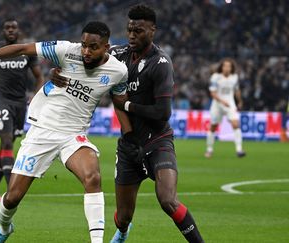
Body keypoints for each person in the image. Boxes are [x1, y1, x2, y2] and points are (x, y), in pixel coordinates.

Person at [0, 21, 130, 243]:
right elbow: (22, 48)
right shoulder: (66, 51)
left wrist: (129, 136)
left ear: (106, 47)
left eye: (93, 47)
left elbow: (120, 103)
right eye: (84, 45)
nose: (86, 52)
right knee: (12, 198)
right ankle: (4, 229)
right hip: (42, 131)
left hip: (73, 135)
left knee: (93, 177)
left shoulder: (118, 72)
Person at [50, 5, 204, 243]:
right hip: (129, 147)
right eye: (130, 30)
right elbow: (84, 61)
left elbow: (163, 112)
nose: (132, 35)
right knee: (122, 217)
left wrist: (128, 105)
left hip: (158, 142)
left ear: (153, 30)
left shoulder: (161, 63)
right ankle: (122, 233)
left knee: (167, 200)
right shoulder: (119, 54)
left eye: (139, 31)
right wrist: (57, 72)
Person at [0, 18, 45, 202]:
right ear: (3, 31)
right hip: (1, 100)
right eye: (7, 28)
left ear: (18, 31)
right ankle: (11, 191)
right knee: (7, 144)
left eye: (14, 28)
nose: (11, 30)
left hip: (20, 104)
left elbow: (39, 78)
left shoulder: (26, 52)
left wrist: (35, 96)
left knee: (6, 146)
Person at [205, 58, 246, 158]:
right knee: (213, 126)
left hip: (230, 103)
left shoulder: (234, 77)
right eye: (225, 66)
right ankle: (209, 149)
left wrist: (239, 101)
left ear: (232, 68)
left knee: (236, 124)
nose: (227, 68)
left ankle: (239, 150)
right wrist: (222, 101)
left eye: (229, 66)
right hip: (217, 104)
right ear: (221, 67)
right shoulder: (215, 77)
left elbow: (236, 90)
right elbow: (213, 93)